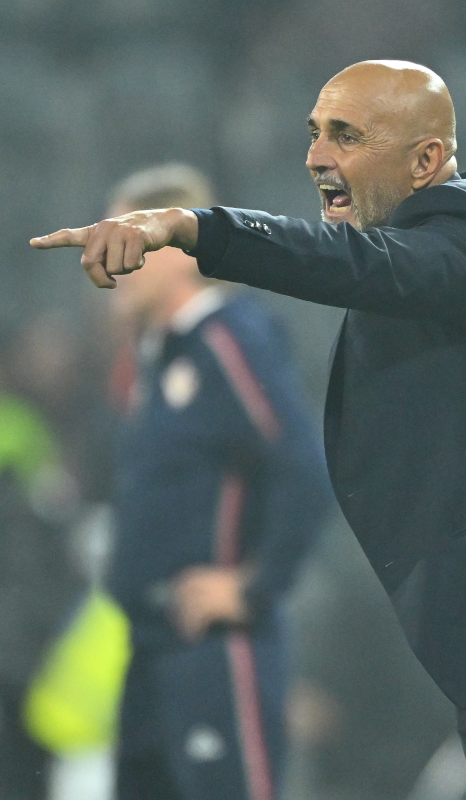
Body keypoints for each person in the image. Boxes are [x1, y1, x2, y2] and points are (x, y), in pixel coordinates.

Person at [32, 61, 466, 799]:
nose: (315, 156)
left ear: (427, 161)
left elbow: (349, 268)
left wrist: (193, 228)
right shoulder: (420, 258)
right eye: (314, 133)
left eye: (346, 135)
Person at [96, 164, 332, 800]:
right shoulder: (159, 357)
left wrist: (254, 586)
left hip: (214, 651)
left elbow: (303, 469)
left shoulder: (231, 337)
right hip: (150, 647)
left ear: (174, 249)